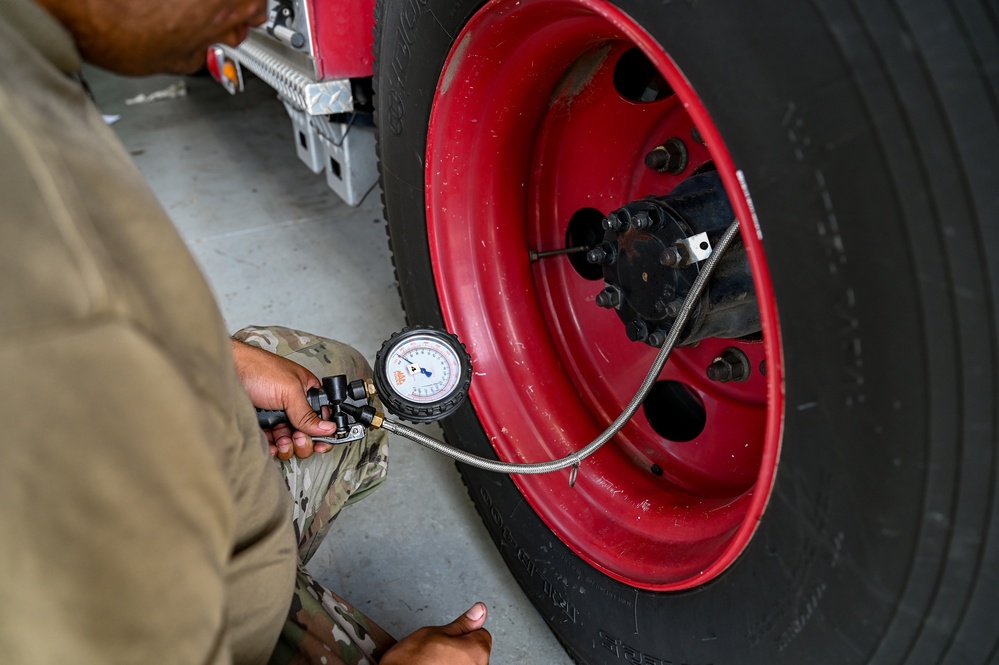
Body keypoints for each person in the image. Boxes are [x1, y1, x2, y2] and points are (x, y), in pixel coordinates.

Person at [0, 0, 492, 663]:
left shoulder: (25, 70)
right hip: (189, 619)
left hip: (155, 504)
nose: (262, 11)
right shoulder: (47, 304)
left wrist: (218, 361)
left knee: (334, 375)